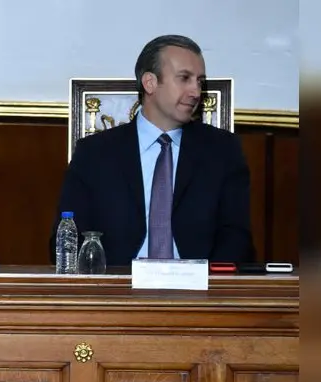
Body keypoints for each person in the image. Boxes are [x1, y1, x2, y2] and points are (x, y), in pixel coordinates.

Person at [50, 34, 255, 266]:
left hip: (198, 294)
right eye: (184, 78)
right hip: (116, 292)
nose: (196, 92)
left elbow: (236, 236)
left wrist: (208, 287)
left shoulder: (222, 151)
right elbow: (68, 238)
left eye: (199, 81)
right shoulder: (95, 154)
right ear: (150, 83)